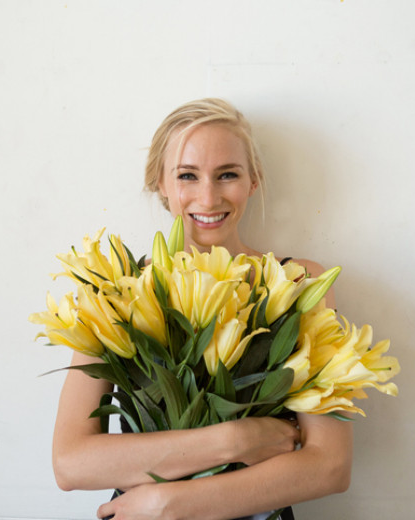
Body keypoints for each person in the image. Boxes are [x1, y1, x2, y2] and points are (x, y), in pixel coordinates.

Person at [52, 98, 353, 520]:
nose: (208, 197)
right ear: (160, 182)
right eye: (187, 176)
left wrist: (167, 504)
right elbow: (70, 463)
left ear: (253, 181)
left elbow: (330, 466)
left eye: (227, 174)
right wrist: (236, 439)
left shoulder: (299, 282)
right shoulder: (113, 288)